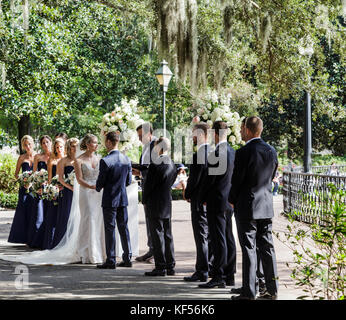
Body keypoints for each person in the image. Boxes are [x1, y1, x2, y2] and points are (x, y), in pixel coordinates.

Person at [229, 116, 279, 300]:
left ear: (248, 130)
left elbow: (237, 180)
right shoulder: (271, 151)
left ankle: (249, 291)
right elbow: (272, 175)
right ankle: (272, 290)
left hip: (247, 206)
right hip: (265, 205)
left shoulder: (243, 152)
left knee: (249, 248)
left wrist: (232, 199)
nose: (241, 132)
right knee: (267, 248)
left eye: (242, 129)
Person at [199, 121, 236, 289]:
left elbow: (210, 180)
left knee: (218, 239)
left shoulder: (216, 153)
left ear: (214, 134)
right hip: (229, 201)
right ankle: (230, 275)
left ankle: (218, 275)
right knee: (229, 237)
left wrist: (203, 197)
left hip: (216, 201)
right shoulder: (233, 152)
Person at [95, 131, 132, 269]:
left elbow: (101, 181)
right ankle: (127, 258)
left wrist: (98, 187)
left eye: (106, 141)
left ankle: (111, 259)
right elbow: (128, 181)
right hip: (122, 198)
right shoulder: (126, 159)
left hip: (110, 199)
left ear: (110, 142)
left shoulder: (105, 161)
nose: (105, 144)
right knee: (124, 228)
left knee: (110, 229)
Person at [142, 137, 177, 276]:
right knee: (168, 235)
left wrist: (144, 200)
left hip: (154, 203)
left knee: (157, 235)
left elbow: (148, 186)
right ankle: (170, 265)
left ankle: (160, 266)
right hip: (166, 202)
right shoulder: (172, 163)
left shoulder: (155, 164)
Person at [183, 123, 210, 282]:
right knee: (209, 237)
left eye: (193, 134)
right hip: (209, 201)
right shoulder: (214, 153)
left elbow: (194, 180)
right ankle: (209, 266)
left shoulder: (199, 155)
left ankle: (202, 270)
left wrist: (188, 193)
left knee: (200, 237)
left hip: (199, 201)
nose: (192, 137)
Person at [74, 134, 107, 264]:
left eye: (97, 143)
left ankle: (100, 251)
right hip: (86, 192)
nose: (96, 145)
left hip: (99, 192)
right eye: (94, 142)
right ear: (87, 144)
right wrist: (91, 186)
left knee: (99, 219)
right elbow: (79, 179)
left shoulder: (100, 159)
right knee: (89, 218)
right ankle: (86, 251)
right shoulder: (79, 160)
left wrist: (99, 186)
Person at [133, 123, 157, 262]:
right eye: (139, 136)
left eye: (141, 136)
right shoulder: (146, 147)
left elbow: (154, 168)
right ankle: (151, 249)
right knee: (149, 220)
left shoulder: (155, 146)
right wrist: (138, 171)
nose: (139, 138)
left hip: (153, 190)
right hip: (146, 187)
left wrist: (139, 169)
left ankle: (156, 252)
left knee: (154, 221)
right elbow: (145, 168)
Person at [8, 135, 36, 244]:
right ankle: (21, 237)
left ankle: (32, 236)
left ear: (32, 144)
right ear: (23, 146)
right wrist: (23, 182)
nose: (27, 146)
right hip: (23, 188)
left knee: (34, 210)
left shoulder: (37, 156)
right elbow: (16, 174)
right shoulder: (21, 157)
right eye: (25, 145)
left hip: (35, 188)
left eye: (29, 144)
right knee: (23, 210)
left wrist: (33, 183)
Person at [27, 135, 52, 249]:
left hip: (52, 189)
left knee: (50, 214)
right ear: (41, 145)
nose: (45, 144)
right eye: (43, 143)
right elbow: (34, 173)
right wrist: (37, 186)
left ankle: (49, 240)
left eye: (47, 142)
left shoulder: (56, 156)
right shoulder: (38, 157)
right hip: (40, 188)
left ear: (51, 143)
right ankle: (38, 240)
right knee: (40, 214)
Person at [52, 138, 78, 248]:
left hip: (79, 192)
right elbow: (60, 179)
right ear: (68, 147)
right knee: (66, 216)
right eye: (72, 145)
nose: (75, 148)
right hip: (68, 192)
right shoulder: (63, 161)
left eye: (76, 145)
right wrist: (70, 187)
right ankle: (62, 243)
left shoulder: (80, 160)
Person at [42, 138, 65, 250]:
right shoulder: (52, 160)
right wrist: (52, 189)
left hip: (65, 190)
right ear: (54, 149)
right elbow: (50, 178)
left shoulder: (67, 159)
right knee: (53, 215)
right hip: (55, 190)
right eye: (57, 147)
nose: (59, 149)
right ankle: (50, 243)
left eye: (61, 146)